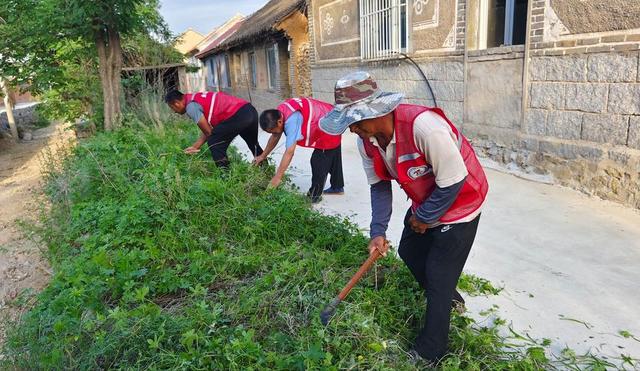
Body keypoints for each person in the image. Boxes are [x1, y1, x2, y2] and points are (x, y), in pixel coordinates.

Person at [319, 71, 489, 363]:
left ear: (375, 112)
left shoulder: (424, 127)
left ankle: (431, 351)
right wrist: (377, 231)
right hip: (426, 198)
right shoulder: (367, 141)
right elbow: (380, 186)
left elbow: (453, 179)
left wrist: (424, 217)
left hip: (462, 202)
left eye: (354, 121)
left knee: (438, 274)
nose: (352, 130)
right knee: (410, 250)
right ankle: (449, 299)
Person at [254, 97, 344, 203]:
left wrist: (277, 177)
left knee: (319, 160)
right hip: (329, 115)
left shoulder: (292, 122)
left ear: (279, 122)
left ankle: (314, 196)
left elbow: (289, 152)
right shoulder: (280, 112)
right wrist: (263, 156)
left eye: (273, 130)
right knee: (333, 154)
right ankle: (337, 187)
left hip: (329, 125)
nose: (273, 133)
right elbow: (275, 136)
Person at [165, 90, 263, 168]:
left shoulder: (191, 107)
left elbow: (208, 132)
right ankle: (266, 170)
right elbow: (209, 129)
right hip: (249, 110)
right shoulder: (194, 97)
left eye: (172, 108)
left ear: (176, 103)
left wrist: (196, 146)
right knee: (253, 144)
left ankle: (225, 177)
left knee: (214, 142)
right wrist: (196, 146)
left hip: (237, 115)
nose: (174, 112)